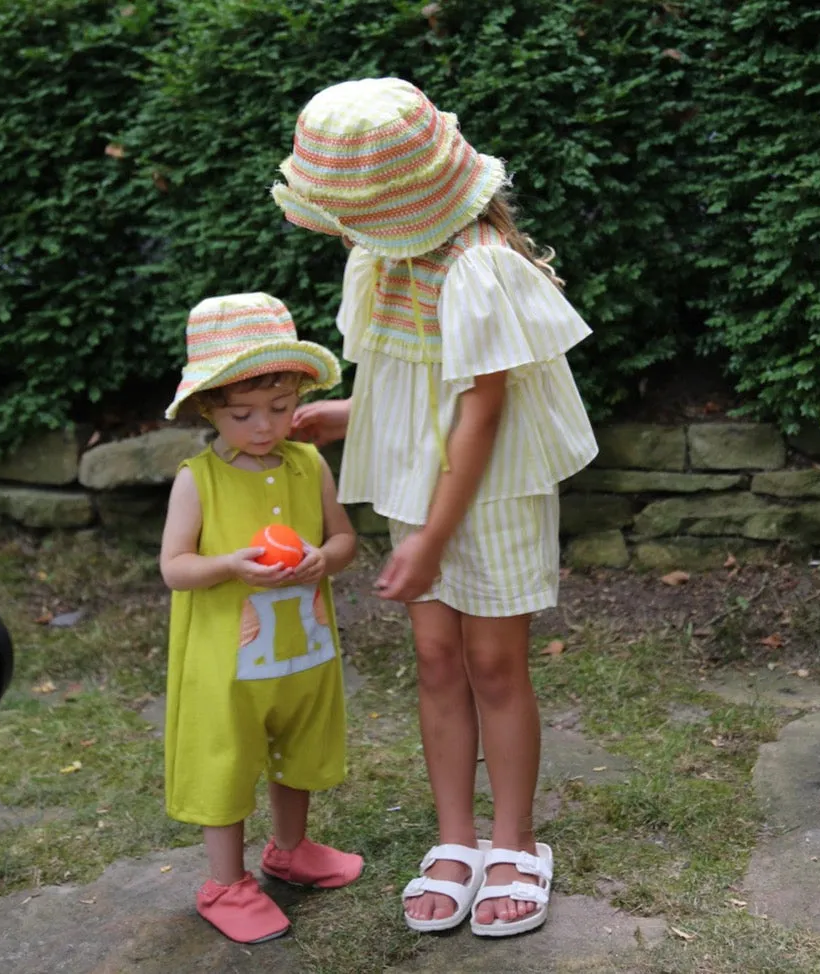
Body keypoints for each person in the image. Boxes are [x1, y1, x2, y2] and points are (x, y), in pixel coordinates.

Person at [273, 78, 599, 938]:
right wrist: (355, 414)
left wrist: (433, 538)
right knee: (434, 658)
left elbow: (481, 414)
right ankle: (456, 839)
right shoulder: (380, 259)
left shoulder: (483, 267)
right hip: (421, 479)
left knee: (494, 664)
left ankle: (515, 840)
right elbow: (402, 371)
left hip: (487, 489)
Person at [159, 292, 363, 945]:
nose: (263, 426)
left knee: (298, 744)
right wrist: (231, 566)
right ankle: (225, 882)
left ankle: (290, 848)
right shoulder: (199, 480)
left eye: (280, 409)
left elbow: (345, 542)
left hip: (300, 652)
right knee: (228, 754)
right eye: (242, 413)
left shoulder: (309, 463)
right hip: (227, 666)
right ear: (208, 407)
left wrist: (320, 561)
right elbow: (175, 568)